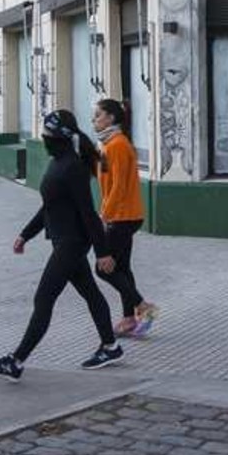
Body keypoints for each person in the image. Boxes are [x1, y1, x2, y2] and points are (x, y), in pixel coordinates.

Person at [0, 109, 124, 380]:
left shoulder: (72, 167)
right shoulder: (58, 161)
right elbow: (49, 206)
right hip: (63, 240)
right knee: (91, 294)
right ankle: (111, 346)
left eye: (46, 135)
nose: (43, 139)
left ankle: (16, 361)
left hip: (72, 243)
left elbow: (88, 213)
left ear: (58, 138)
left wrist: (103, 252)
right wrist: (26, 234)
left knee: (43, 298)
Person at [92, 98, 158, 337]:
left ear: (111, 118)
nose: (94, 120)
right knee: (122, 267)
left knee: (103, 268)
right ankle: (129, 319)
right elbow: (107, 179)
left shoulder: (117, 145)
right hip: (123, 214)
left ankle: (143, 306)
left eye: (98, 115)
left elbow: (118, 185)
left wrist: (105, 214)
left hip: (122, 216)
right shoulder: (108, 144)